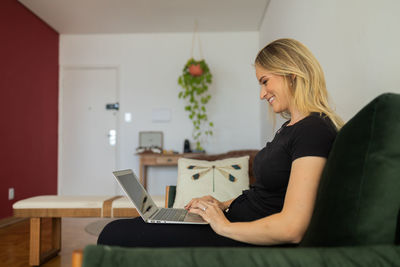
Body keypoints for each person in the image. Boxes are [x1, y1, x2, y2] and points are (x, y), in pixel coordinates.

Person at [97, 38, 344, 247]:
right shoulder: (291, 129)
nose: (262, 94)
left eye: (265, 81)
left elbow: (292, 227)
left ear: (291, 74)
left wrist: (222, 226)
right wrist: (219, 205)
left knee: (114, 234)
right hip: (233, 220)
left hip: (237, 232)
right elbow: (268, 195)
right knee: (131, 226)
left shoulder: (314, 130)